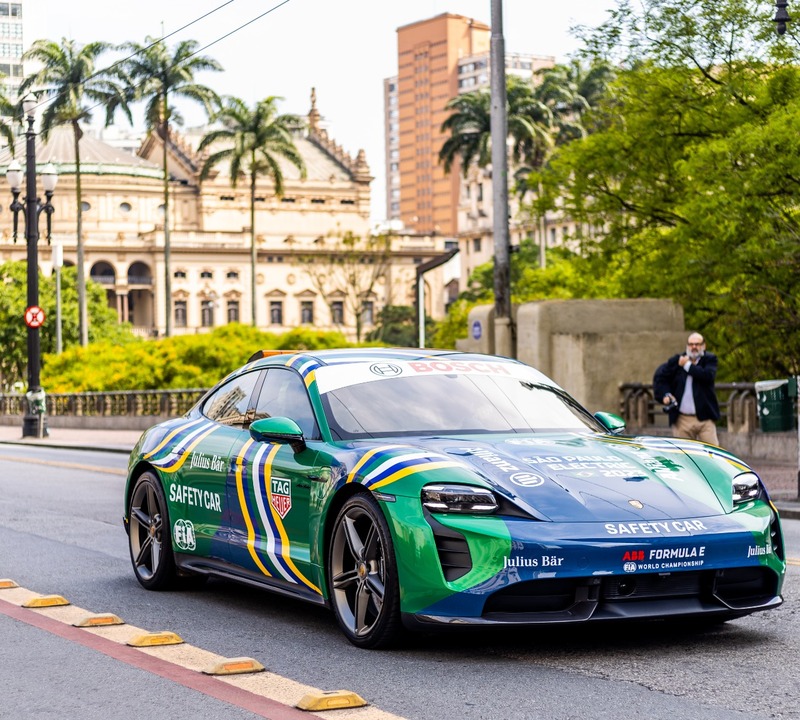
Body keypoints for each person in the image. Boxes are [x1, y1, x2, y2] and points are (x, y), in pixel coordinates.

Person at [653, 332, 720, 446]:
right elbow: (660, 378)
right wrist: (665, 395)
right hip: (682, 419)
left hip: (705, 419)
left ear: (703, 346)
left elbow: (707, 376)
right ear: (687, 346)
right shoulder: (677, 361)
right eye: (691, 344)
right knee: (684, 455)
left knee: (712, 454)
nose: (694, 347)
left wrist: (687, 366)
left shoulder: (709, 360)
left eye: (697, 344)